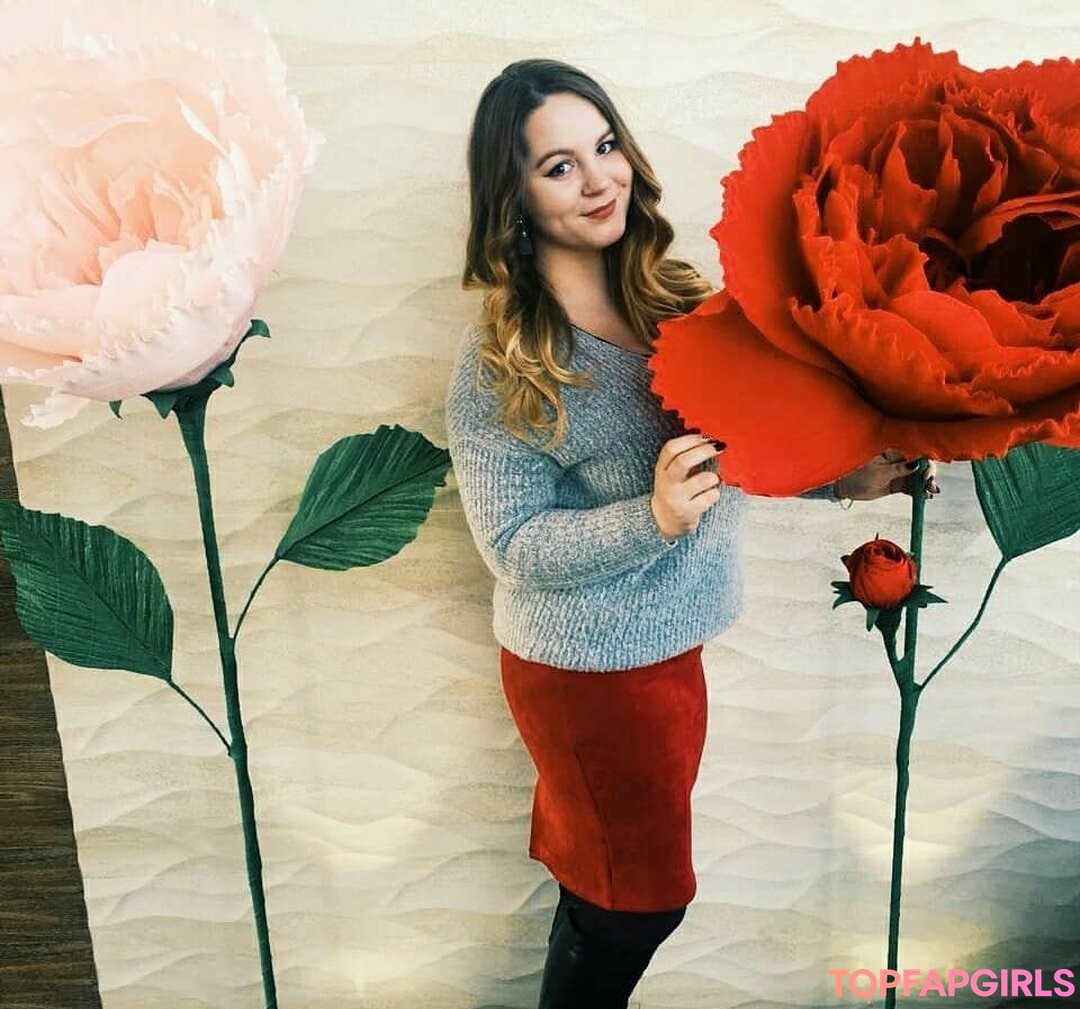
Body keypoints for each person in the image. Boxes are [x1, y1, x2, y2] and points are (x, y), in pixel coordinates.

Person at [445, 59, 937, 1009]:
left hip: (671, 645)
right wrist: (653, 516)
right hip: (590, 674)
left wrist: (845, 479)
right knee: (636, 904)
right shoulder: (505, 359)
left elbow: (737, 450)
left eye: (605, 146)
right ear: (513, 197)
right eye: (558, 166)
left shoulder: (673, 298)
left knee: (608, 887)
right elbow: (513, 547)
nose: (599, 179)